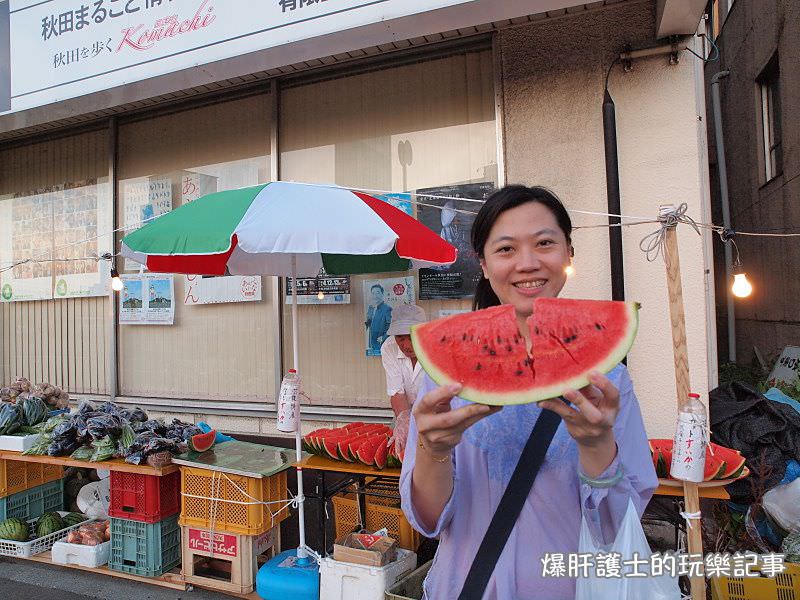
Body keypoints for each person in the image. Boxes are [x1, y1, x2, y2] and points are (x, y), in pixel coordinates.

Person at [399, 185, 657, 599]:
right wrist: (433, 450)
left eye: (544, 243)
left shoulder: (609, 383)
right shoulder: (446, 379)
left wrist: (596, 446)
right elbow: (427, 522)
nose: (528, 263)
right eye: (505, 249)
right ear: (483, 264)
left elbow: (617, 531)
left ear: (568, 253)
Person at [380, 304, 427, 456]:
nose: (406, 345)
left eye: (412, 336)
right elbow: (396, 392)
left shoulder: (439, 347)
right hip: (403, 411)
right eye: (400, 337)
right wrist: (404, 418)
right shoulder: (389, 347)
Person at [365, 284, 392, 355]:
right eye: (373, 293)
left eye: (378, 293)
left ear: (382, 294)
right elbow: (367, 324)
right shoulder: (371, 308)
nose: (375, 296)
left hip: (381, 344)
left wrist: (383, 337)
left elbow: (391, 326)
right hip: (370, 344)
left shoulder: (387, 309)